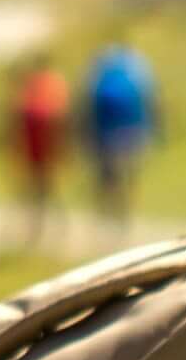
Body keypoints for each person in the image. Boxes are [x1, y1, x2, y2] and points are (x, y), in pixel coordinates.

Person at [82, 36, 160, 226]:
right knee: (130, 173)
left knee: (109, 175)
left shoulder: (100, 67)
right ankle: (127, 211)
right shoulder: (137, 66)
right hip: (133, 128)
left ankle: (110, 211)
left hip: (106, 131)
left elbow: (88, 102)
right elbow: (150, 99)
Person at [8, 55, 70, 239]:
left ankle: (39, 225)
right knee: (43, 187)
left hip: (36, 146)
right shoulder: (53, 85)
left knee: (38, 188)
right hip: (43, 146)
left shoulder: (31, 88)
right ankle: (43, 225)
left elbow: (18, 118)